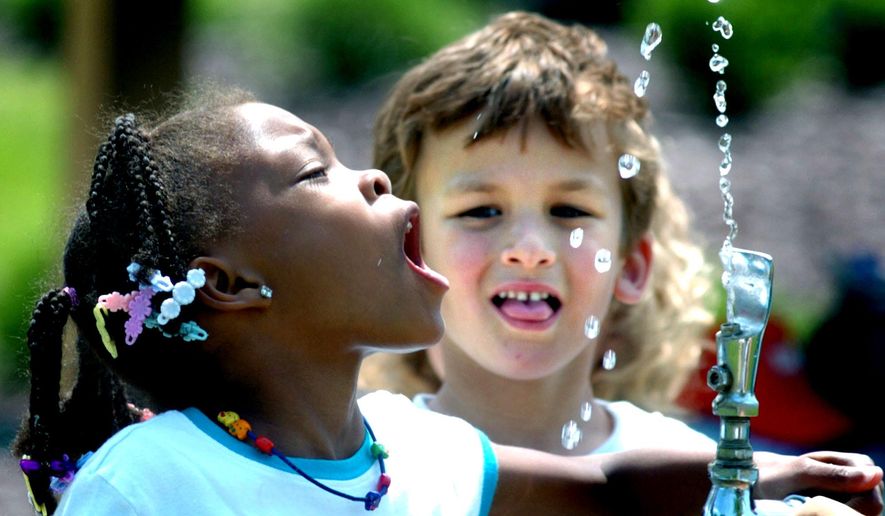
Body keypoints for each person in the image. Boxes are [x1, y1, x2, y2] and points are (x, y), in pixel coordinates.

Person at [11, 89, 881, 516]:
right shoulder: (156, 483)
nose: (376, 176)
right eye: (318, 172)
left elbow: (608, 487)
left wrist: (766, 473)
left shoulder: (421, 452)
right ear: (231, 284)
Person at [365, 10, 884, 511]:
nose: (530, 247)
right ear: (408, 252)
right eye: (481, 210)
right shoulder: (367, 464)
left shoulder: (699, 476)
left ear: (630, 266)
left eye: (569, 210)